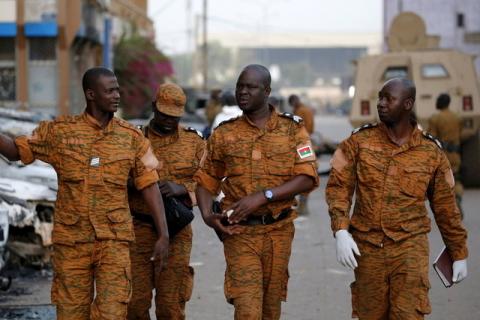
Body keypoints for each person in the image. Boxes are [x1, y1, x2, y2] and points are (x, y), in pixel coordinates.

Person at [0, 67, 169, 320]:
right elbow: (15, 151)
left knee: (112, 313)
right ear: (91, 94)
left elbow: (149, 184)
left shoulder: (131, 137)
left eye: (117, 89)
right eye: (109, 90)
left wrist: (163, 233)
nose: (117, 95)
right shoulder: (59, 133)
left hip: (114, 243)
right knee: (71, 314)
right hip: (72, 244)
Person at [326, 78, 468, 319]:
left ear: (407, 104)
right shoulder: (358, 143)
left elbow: (446, 208)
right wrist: (341, 230)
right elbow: (338, 188)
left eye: (388, 99)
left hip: (410, 249)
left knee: (408, 315)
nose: (380, 104)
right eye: (379, 97)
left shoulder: (430, 152)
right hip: (369, 251)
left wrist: (459, 252)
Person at [194, 64, 319, 320]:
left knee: (270, 311)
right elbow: (206, 180)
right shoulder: (224, 134)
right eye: (240, 86)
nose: (243, 91)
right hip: (240, 233)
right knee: (248, 310)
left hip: (278, 232)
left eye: (251, 87)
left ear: (267, 91)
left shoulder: (292, 129)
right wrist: (208, 216)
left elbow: (307, 177)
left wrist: (264, 196)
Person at [127, 83, 205, 320]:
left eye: (174, 116)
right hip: (138, 230)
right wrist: (142, 184)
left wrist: (181, 188)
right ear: (154, 107)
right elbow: (115, 177)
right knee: (134, 305)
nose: (169, 120)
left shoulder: (194, 142)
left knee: (170, 306)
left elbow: (210, 182)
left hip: (177, 230)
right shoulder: (134, 138)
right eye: (163, 114)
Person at [428, 93, 464, 218]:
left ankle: (449, 207)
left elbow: (431, 137)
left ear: (440, 102)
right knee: (457, 178)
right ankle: (458, 198)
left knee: (443, 181)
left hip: (443, 155)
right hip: (455, 154)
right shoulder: (457, 117)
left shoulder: (435, 118)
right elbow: (461, 134)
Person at [288, 94, 315, 215]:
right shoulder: (302, 110)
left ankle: (303, 206)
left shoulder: (302, 111)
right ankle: (302, 206)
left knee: (305, 172)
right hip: (301, 143)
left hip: (302, 144)